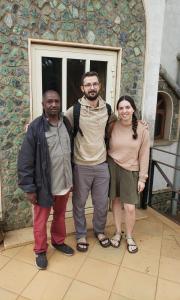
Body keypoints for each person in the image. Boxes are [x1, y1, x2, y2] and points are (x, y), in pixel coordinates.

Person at [18, 89, 74, 270]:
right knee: (40, 221)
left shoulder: (66, 122)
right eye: (49, 101)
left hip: (64, 183)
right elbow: (25, 160)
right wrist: (29, 188)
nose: (53, 104)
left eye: (56, 101)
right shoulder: (35, 128)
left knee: (59, 216)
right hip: (44, 186)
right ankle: (40, 250)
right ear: (43, 104)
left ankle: (58, 241)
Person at [65, 71, 115, 252]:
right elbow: (56, 122)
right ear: (82, 88)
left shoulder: (108, 109)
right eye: (88, 85)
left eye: (95, 84)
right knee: (78, 204)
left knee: (101, 203)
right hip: (81, 165)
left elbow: (121, 124)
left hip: (102, 165)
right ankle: (80, 235)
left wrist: (140, 124)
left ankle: (100, 231)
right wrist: (34, 124)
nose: (92, 87)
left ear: (99, 86)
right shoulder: (74, 110)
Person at [108, 95, 150, 253]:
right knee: (117, 202)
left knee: (130, 207)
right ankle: (118, 232)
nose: (124, 111)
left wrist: (142, 178)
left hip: (131, 170)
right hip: (113, 167)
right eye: (121, 108)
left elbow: (145, 154)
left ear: (133, 109)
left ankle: (130, 236)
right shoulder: (112, 125)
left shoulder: (142, 128)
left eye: (127, 107)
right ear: (117, 111)